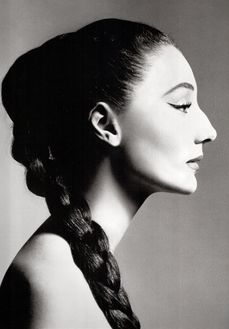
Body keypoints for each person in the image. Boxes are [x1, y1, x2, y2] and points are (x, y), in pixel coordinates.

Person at [0, 18, 217, 329]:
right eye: (182, 105)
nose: (209, 130)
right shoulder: (51, 283)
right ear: (105, 125)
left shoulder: (71, 268)